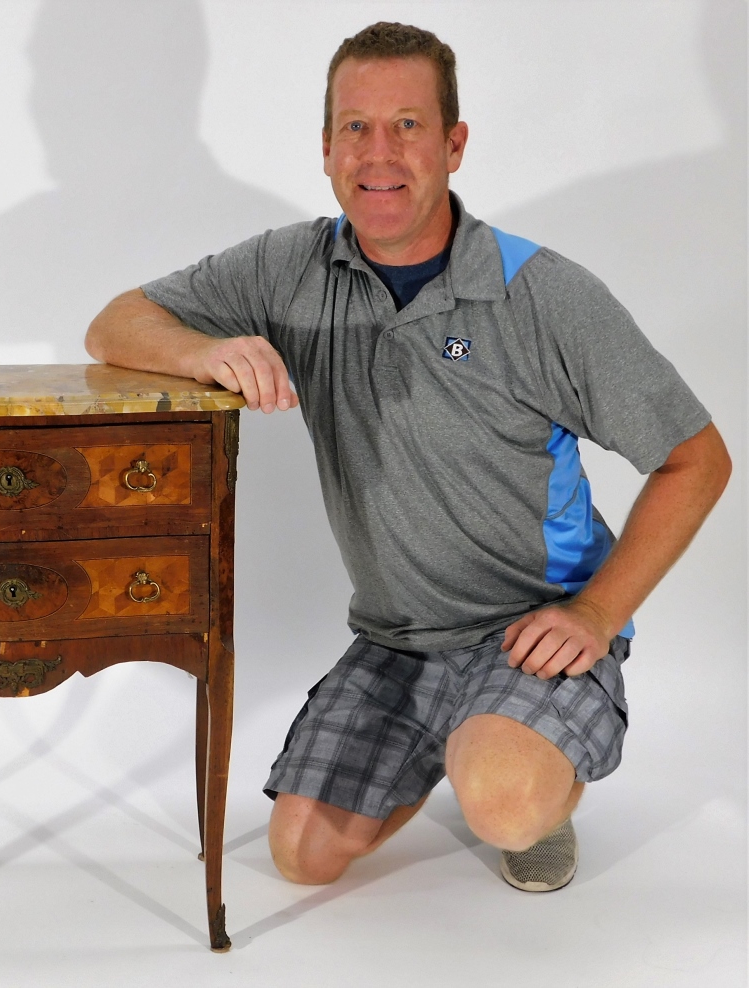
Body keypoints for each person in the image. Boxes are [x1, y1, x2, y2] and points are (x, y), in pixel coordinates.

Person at [84, 22, 730, 892]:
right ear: (325, 149)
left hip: (530, 630)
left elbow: (698, 458)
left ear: (454, 144)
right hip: (398, 641)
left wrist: (597, 616)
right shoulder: (289, 268)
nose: (378, 152)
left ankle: (524, 772)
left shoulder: (542, 294)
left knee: (504, 801)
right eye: (356, 126)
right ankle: (464, 737)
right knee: (302, 856)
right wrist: (204, 353)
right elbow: (115, 323)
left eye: (409, 126)